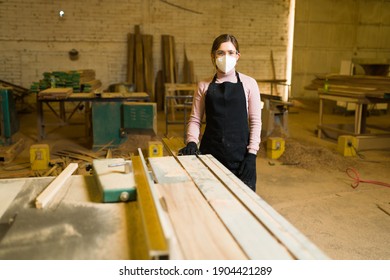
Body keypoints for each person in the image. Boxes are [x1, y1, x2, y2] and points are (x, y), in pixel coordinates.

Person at [178, 34, 262, 191]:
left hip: (241, 158)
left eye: (231, 52)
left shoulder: (249, 84)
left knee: (242, 206)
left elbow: (255, 121)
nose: (226, 57)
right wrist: (191, 141)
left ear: (238, 56)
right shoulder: (203, 85)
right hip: (210, 155)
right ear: (213, 55)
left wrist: (252, 154)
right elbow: (195, 119)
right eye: (221, 53)